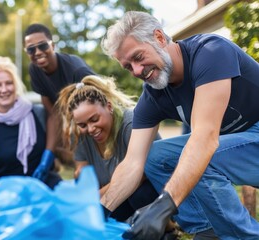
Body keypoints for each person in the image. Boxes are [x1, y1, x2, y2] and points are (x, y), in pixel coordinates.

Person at [100, 11, 259, 239]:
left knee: (203, 154)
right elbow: (133, 163)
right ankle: (207, 230)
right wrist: (100, 210)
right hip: (239, 148)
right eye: (128, 67)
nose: (136, 71)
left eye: (138, 57)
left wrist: (163, 205)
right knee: (155, 156)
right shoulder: (153, 96)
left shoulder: (210, 52)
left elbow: (205, 138)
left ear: (160, 38)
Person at [55, 75, 167, 223]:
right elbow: (82, 173)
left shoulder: (132, 123)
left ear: (109, 107)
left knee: (140, 194)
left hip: (151, 188)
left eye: (94, 119)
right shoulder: (79, 134)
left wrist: (96, 195)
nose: (90, 129)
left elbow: (141, 175)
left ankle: (166, 224)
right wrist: (83, 191)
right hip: (115, 196)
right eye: (82, 125)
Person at [0, 56, 62, 199]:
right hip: (4, 190)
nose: (4, 89)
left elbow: (60, 121)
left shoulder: (39, 114)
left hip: (42, 183)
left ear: (16, 85)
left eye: (9, 83)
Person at [24, 23, 96, 182]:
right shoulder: (35, 70)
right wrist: (47, 155)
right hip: (76, 122)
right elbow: (53, 114)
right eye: (31, 49)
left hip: (94, 119)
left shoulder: (76, 70)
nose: (37, 52)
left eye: (42, 46)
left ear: (53, 45)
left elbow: (100, 109)